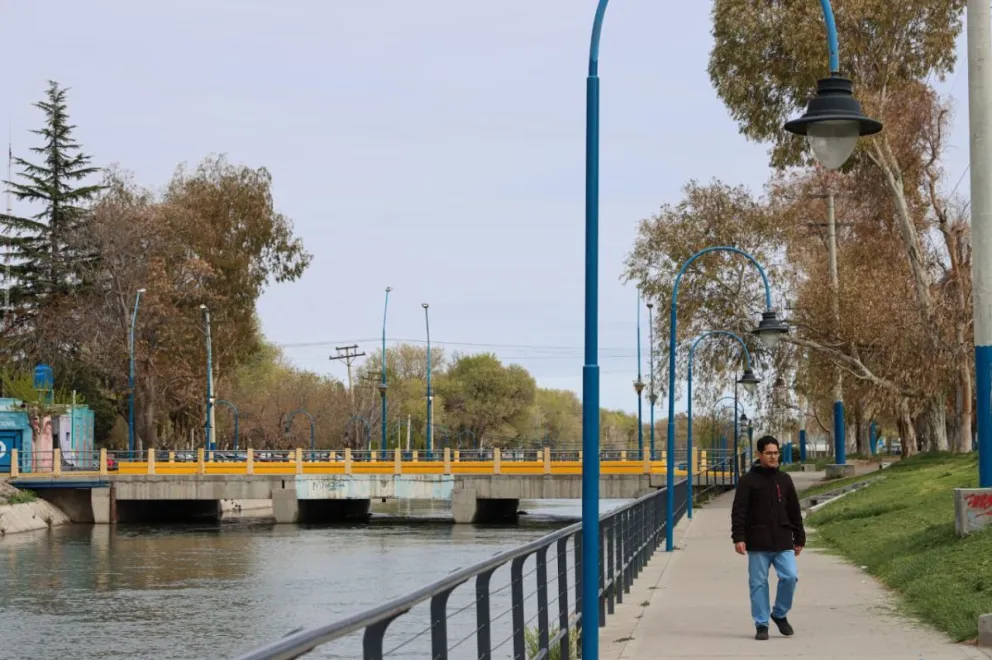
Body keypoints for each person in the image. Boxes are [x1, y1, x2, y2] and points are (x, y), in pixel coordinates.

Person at [731, 435, 806, 640]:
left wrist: (799, 538)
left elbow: (794, 511)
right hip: (757, 541)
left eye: (775, 453)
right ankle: (761, 624)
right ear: (759, 454)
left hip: (783, 539)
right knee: (758, 584)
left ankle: (779, 613)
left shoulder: (785, 479)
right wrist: (739, 537)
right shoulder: (748, 481)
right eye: (768, 453)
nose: (773, 457)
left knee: (790, 577)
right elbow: (739, 512)